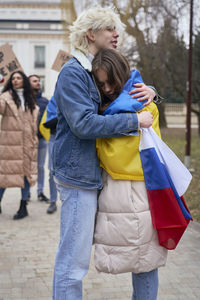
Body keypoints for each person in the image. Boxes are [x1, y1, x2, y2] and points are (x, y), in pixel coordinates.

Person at [52, 6, 158, 300]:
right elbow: (84, 124)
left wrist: (150, 90)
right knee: (73, 262)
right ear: (91, 33)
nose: (116, 34)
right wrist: (134, 120)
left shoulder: (94, 68)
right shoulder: (73, 72)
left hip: (99, 175)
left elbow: (127, 87)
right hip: (78, 178)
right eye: (110, 28)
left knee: (136, 252)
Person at [92, 48, 168, 300]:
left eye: (110, 81)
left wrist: (100, 137)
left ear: (121, 75)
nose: (107, 89)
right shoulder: (126, 102)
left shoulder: (143, 105)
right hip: (127, 193)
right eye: (100, 84)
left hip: (134, 192)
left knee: (144, 263)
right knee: (144, 261)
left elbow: (117, 156)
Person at [0, 71, 39, 219]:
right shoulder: (5, 97)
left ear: (24, 81)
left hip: (27, 144)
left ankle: (23, 206)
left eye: (19, 78)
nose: (16, 80)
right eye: (13, 78)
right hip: (10, 144)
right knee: (4, 177)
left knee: (26, 176)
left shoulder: (30, 100)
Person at [29, 74, 49, 203]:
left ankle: (40, 192)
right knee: (27, 167)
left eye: (39, 81)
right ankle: (26, 193)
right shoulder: (24, 101)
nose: (38, 83)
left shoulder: (45, 102)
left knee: (41, 167)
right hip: (27, 140)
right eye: (34, 81)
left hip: (42, 139)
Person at [41, 96, 58, 214]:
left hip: (75, 136)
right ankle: (53, 201)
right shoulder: (55, 99)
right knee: (52, 171)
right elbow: (49, 121)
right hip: (55, 136)